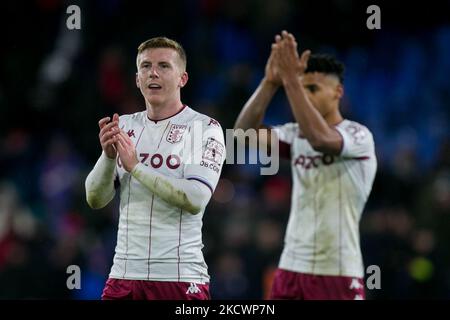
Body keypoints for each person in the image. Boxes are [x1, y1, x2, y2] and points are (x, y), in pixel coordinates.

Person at [234, 31, 377, 300]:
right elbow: (243, 134)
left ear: (338, 92)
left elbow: (321, 139)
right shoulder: (294, 134)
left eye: (312, 89)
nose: (305, 95)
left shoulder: (359, 136)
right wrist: (269, 82)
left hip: (336, 271)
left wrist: (292, 81)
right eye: (302, 88)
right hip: (290, 268)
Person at [85, 37, 225, 300]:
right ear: (137, 79)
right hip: (123, 275)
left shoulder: (204, 128)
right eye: (146, 66)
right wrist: (106, 157)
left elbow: (195, 199)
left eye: (164, 66)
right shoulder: (124, 126)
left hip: (179, 278)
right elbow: (95, 199)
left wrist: (136, 168)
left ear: (183, 78)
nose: (153, 73)